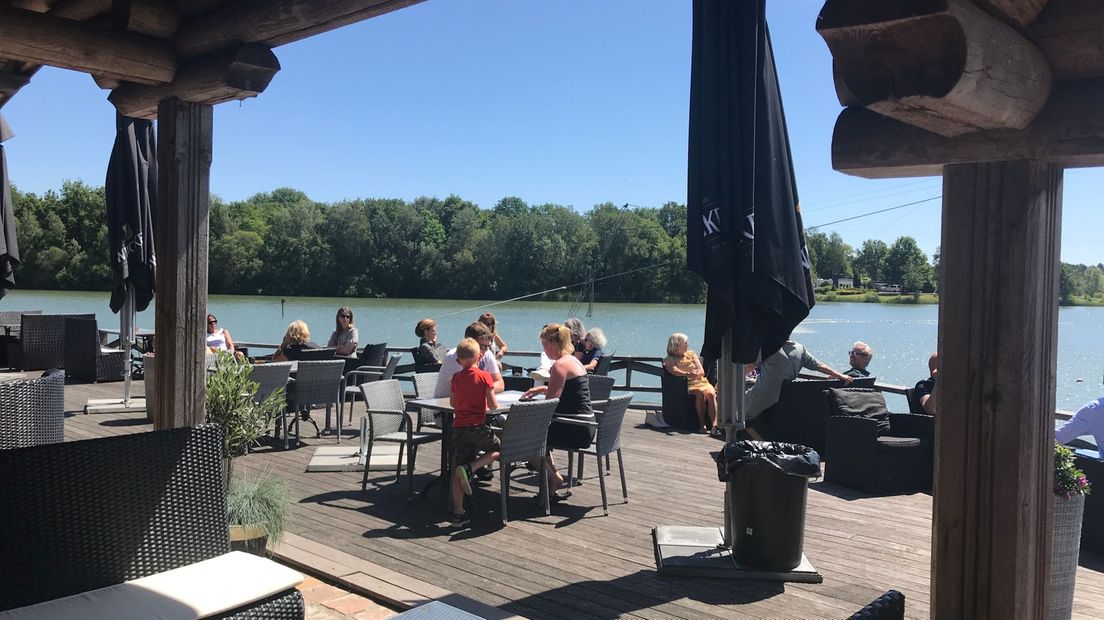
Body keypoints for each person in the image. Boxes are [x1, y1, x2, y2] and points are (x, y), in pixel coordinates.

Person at [521, 323, 595, 499]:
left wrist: (525, 411)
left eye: (544, 345)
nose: (544, 350)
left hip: (573, 427)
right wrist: (543, 389)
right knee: (539, 436)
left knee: (524, 441)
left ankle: (553, 479)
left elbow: (549, 406)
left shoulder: (559, 366)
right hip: (586, 425)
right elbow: (569, 390)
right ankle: (551, 486)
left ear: (551, 345)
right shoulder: (574, 361)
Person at [448, 338, 501, 528]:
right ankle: (472, 468)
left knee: (457, 468)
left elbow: (453, 403)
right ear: (479, 356)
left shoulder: (455, 378)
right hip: (478, 426)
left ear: (459, 360)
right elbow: (493, 405)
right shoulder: (484, 376)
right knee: (501, 449)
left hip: (459, 428)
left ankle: (458, 513)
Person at [745, 340, 854, 422]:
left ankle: (754, 440)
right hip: (785, 399)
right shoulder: (800, 349)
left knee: (735, 412)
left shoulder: (767, 346)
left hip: (763, 397)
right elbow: (819, 365)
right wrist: (839, 375)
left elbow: (746, 369)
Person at [663, 333, 718, 434]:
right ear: (677, 345)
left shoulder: (691, 354)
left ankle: (714, 424)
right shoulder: (669, 359)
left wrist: (696, 374)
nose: (687, 344)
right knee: (700, 392)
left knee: (711, 393)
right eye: (685, 342)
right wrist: (688, 374)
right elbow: (673, 371)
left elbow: (701, 371)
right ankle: (702, 424)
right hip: (686, 384)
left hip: (701, 381)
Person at [433, 322, 505, 397]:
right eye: (481, 346)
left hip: (470, 402)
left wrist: (486, 390)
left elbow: (499, 383)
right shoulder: (455, 357)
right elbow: (467, 389)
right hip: (445, 404)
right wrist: (488, 390)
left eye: (487, 346)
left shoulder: (487, 353)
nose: (484, 351)